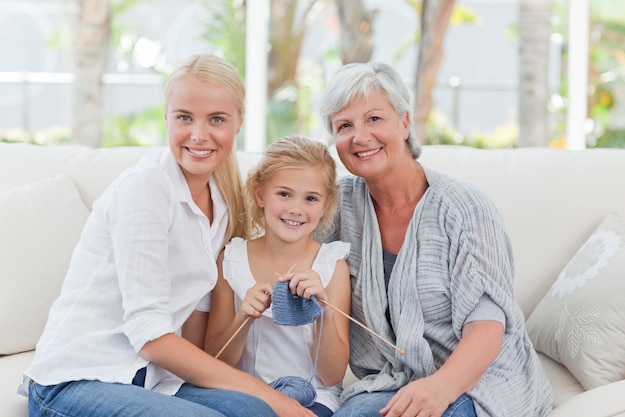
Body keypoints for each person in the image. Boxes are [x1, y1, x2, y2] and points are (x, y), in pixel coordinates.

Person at [18, 54, 315, 417]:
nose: (199, 134)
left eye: (216, 119)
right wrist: (273, 395)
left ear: (239, 122)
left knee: (256, 412)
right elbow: (152, 337)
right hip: (75, 379)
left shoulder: (221, 205)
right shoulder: (145, 188)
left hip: (151, 381)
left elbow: (192, 338)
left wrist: (262, 397)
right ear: (166, 118)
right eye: (184, 117)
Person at [317, 61, 553, 417]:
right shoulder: (336, 207)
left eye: (374, 119)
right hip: (392, 381)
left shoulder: (464, 207)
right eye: (344, 126)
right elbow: (282, 243)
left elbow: (487, 324)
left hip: (480, 381)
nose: (360, 137)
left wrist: (440, 388)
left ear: (405, 122)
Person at [204, 135, 351, 417]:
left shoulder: (332, 266)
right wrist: (243, 317)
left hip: (313, 399)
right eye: (284, 194)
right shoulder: (232, 259)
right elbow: (216, 361)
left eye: (310, 198)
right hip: (247, 395)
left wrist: (325, 312)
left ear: (326, 204)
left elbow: (332, 376)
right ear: (259, 194)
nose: (296, 209)